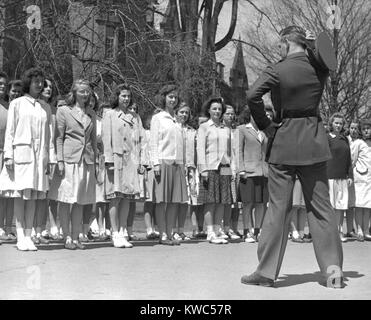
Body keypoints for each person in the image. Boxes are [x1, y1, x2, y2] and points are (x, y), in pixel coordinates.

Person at [241, 26, 344, 288]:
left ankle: (265, 272)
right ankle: (333, 270)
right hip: (313, 142)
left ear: (286, 42)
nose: (278, 49)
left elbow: (252, 95)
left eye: (279, 44)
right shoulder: (318, 68)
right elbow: (328, 55)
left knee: (278, 209)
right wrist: (333, 30)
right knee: (321, 208)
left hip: (284, 141)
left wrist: (265, 124)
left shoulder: (277, 69)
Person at [0, 67, 56, 251]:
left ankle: (28, 234)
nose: (39, 85)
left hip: (39, 157)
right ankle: (20, 235)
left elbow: (49, 135)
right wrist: (9, 155)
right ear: (28, 82)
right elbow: (11, 131)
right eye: (36, 81)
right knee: (19, 195)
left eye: (41, 81)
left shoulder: (45, 107)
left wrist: (51, 158)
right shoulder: (18, 104)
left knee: (33, 196)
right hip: (20, 155)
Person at [48, 79, 97, 250]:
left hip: (86, 161)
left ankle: (76, 237)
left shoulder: (91, 113)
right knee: (65, 200)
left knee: (79, 201)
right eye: (82, 91)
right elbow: (59, 138)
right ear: (74, 93)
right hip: (69, 160)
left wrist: (95, 163)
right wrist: (59, 160)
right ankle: (67, 237)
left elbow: (93, 141)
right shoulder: (63, 111)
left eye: (87, 91)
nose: (85, 94)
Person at [102, 84, 144, 248]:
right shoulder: (110, 115)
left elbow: (140, 141)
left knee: (127, 197)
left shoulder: (135, 117)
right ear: (117, 97)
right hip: (116, 159)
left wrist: (141, 161)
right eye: (123, 96)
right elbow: (107, 140)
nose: (126, 99)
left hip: (131, 161)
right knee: (115, 197)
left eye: (128, 96)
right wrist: (109, 161)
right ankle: (114, 232)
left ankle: (122, 230)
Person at [149, 84, 188, 245]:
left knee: (174, 201)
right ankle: (162, 234)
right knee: (162, 200)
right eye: (170, 96)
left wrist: (182, 164)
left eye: (175, 97)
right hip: (163, 162)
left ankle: (170, 232)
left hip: (177, 164)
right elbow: (153, 142)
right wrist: (155, 164)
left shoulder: (177, 120)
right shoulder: (158, 118)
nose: (173, 100)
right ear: (164, 98)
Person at [197, 96, 234, 245]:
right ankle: (210, 231)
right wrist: (203, 168)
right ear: (209, 110)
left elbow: (230, 150)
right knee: (210, 200)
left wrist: (232, 167)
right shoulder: (204, 127)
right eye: (214, 109)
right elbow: (200, 149)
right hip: (210, 166)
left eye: (219, 109)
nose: (217, 111)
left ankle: (218, 230)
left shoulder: (226, 128)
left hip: (224, 166)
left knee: (222, 200)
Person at [237, 106, 268, 243]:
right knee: (248, 203)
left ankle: (258, 230)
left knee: (261, 203)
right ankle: (247, 231)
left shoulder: (265, 131)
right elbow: (238, 150)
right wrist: (241, 169)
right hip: (248, 172)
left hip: (263, 171)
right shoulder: (242, 129)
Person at [32, 77, 57, 245]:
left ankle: (40, 229)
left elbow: (52, 136)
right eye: (45, 86)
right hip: (35, 155)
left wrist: (52, 158)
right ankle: (31, 230)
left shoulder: (51, 108)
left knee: (44, 196)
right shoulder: (33, 105)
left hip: (49, 156)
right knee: (33, 194)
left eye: (50, 87)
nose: (48, 89)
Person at [327, 113, 353, 242]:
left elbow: (349, 159)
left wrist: (350, 175)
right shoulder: (327, 138)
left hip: (342, 177)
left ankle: (339, 231)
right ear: (331, 123)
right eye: (336, 123)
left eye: (341, 123)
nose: (338, 125)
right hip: (330, 177)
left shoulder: (345, 139)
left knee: (340, 206)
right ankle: (330, 233)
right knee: (330, 207)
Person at [172, 101, 195, 241]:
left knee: (184, 201)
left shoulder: (191, 130)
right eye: (181, 112)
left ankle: (180, 229)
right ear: (176, 113)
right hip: (175, 166)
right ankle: (172, 229)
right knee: (175, 200)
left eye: (186, 112)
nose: (184, 115)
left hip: (188, 167)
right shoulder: (173, 127)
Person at [222, 105, 241, 240]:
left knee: (236, 201)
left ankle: (233, 228)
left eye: (232, 114)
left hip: (237, 168)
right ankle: (224, 227)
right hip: (224, 167)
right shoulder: (220, 130)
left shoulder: (237, 131)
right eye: (228, 113)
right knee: (225, 200)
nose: (230, 116)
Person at [0, 72, 14, 243]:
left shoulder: (10, 106)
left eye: (4, 83)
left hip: (6, 153)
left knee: (6, 194)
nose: (2, 86)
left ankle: (6, 227)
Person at [354, 119, 371, 241]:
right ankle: (359, 230)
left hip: (370, 179)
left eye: (368, 129)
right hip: (360, 177)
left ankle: (366, 230)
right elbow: (352, 159)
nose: (366, 131)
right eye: (364, 129)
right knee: (359, 205)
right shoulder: (358, 143)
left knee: (368, 206)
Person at [344, 120, 361, 239]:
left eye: (356, 128)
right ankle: (338, 229)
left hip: (357, 176)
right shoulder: (345, 140)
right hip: (344, 174)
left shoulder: (361, 142)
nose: (353, 130)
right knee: (341, 203)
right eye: (352, 128)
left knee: (352, 204)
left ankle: (350, 229)